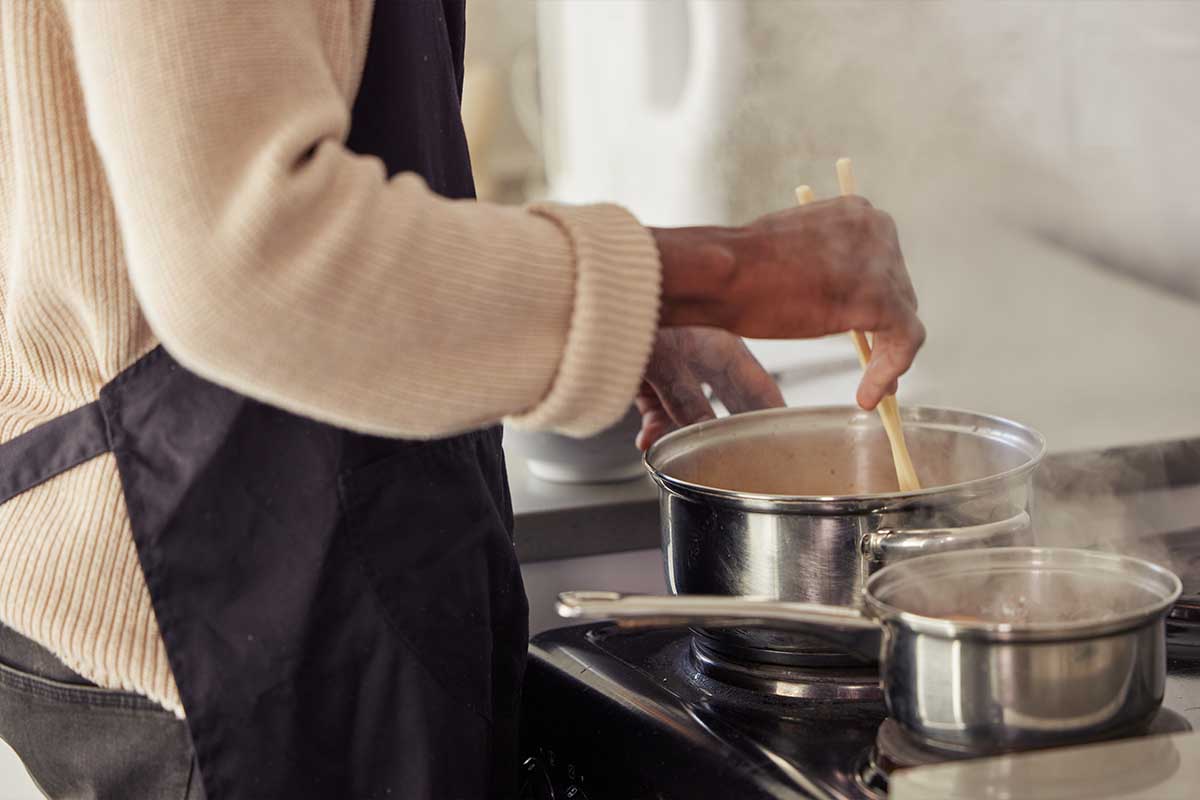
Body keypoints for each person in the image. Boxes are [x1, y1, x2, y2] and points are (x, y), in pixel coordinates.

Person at [0, 2, 923, 798]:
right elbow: (252, 256)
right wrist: (725, 270)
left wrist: (604, 304)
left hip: (316, 567)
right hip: (211, 606)